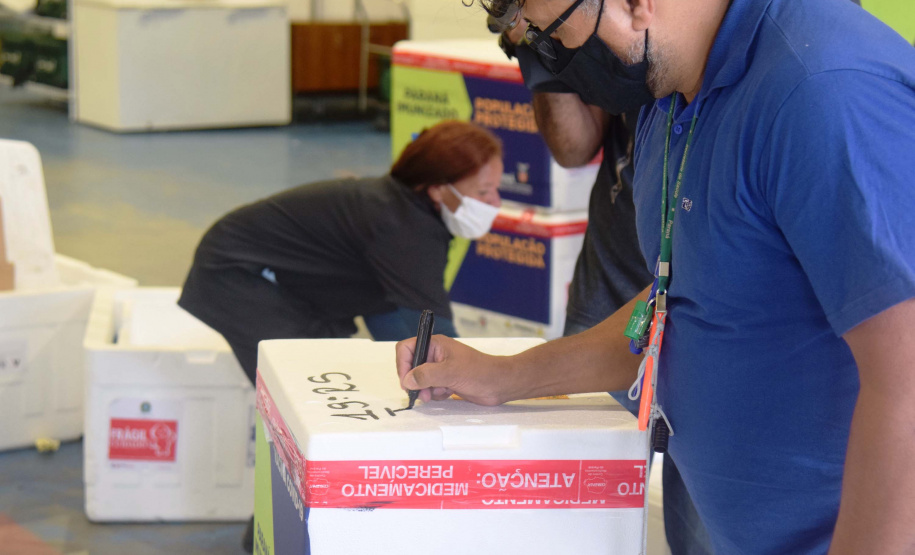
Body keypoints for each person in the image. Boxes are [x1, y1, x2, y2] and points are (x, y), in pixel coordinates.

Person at [397, 0, 915, 553]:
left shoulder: (824, 91)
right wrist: (504, 378)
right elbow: (684, 301)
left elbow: (906, 372)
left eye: (556, 34)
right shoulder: (672, 94)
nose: (560, 58)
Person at [491, 14, 711, 554]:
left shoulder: (796, 76)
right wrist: (545, 52)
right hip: (619, 265)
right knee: (573, 508)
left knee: (706, 518)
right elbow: (572, 146)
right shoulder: (595, 48)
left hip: (708, 285)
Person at [179, 120, 503, 385]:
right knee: (302, 381)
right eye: (484, 192)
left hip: (279, 270)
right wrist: (485, 383)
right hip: (236, 272)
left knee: (362, 365)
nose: (495, 203)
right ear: (438, 189)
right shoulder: (401, 227)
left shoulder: (410, 209)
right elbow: (439, 332)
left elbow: (392, 311)